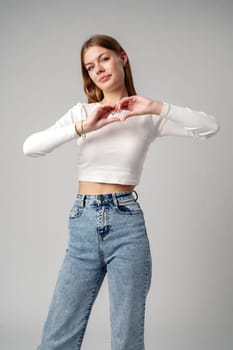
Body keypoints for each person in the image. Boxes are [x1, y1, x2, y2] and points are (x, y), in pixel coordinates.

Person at [23, 34, 220, 350]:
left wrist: (157, 106)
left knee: (127, 337)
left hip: (126, 224)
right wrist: (83, 128)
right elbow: (30, 147)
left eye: (103, 58)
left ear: (122, 57)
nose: (98, 69)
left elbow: (210, 127)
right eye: (89, 66)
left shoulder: (148, 116)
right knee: (57, 337)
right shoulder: (81, 114)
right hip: (83, 222)